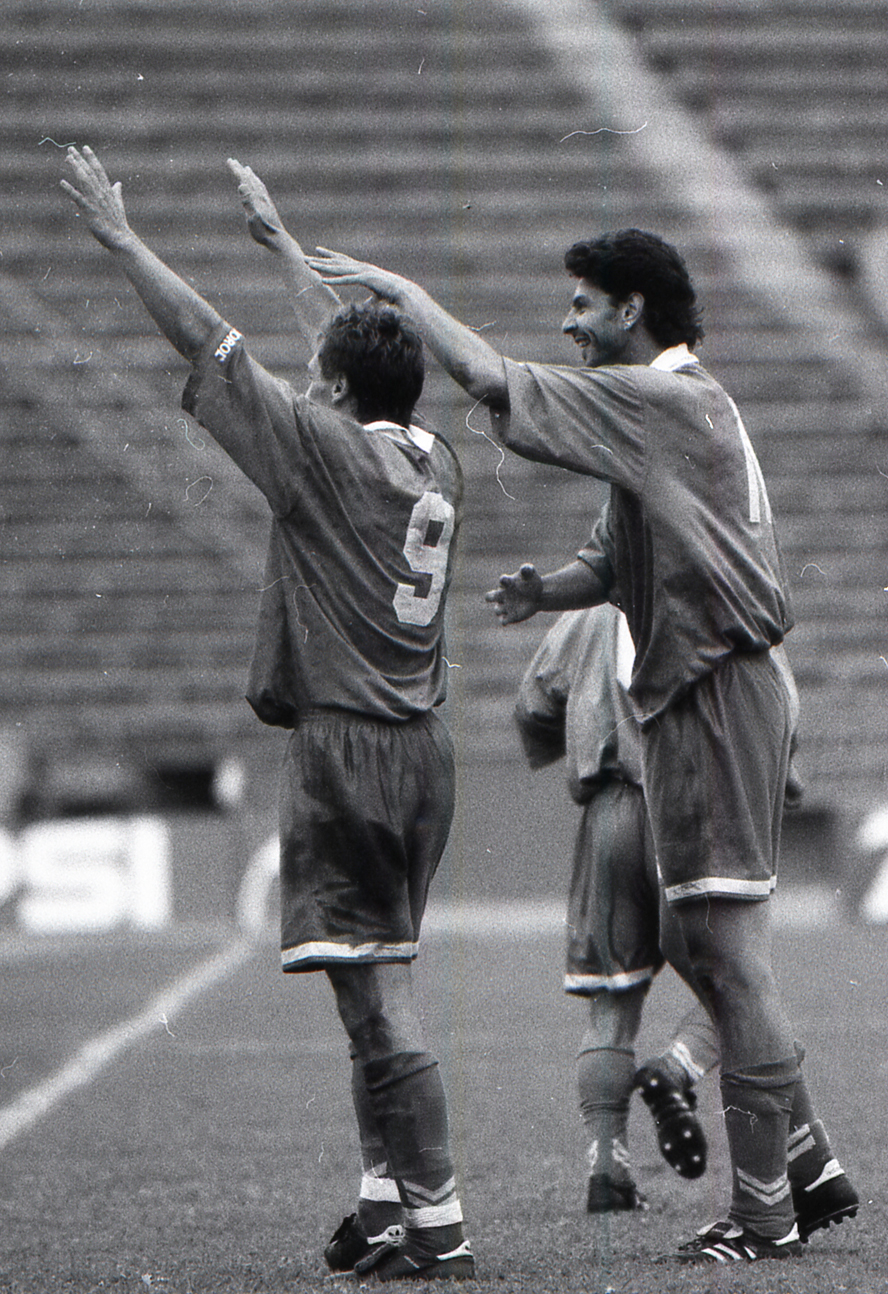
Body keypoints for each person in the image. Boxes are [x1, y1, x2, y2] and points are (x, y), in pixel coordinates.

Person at [309, 230, 859, 1262]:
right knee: (699, 946)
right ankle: (810, 1165)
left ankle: (766, 1212)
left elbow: (489, 377)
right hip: (698, 694)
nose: (568, 322)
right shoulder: (677, 410)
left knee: (729, 955)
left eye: (582, 304)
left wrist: (401, 290)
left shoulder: (662, 400)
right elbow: (615, 556)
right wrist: (548, 590)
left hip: (717, 688)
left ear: (631, 310)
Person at [61, 146, 475, 1283]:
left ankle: (440, 1227)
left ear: (331, 391)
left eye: (318, 373)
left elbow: (210, 341)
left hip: (350, 747)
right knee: (370, 985)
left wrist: (122, 240)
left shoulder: (318, 456)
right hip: (423, 747)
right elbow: (347, 360)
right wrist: (285, 246)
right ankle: (386, 1205)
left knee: (380, 999)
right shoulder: (434, 458)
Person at [515, 603, 716, 1213]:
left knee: (610, 1003)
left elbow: (531, 706)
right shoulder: (702, 593)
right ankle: (676, 1070)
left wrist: (580, 731)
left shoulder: (586, 618)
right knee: (738, 985)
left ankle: (608, 1170)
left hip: (607, 816)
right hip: (683, 806)